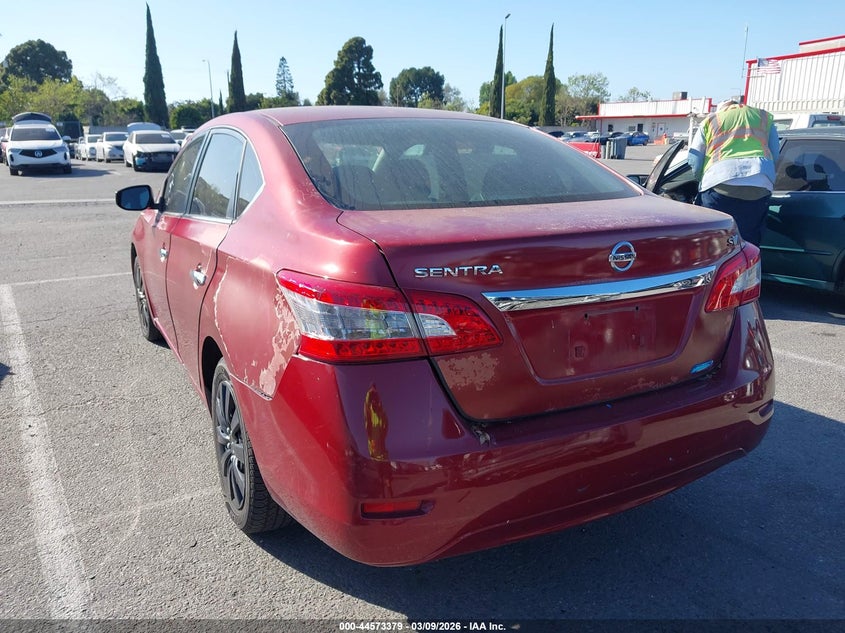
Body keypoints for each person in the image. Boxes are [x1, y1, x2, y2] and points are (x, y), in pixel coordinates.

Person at [688, 99, 780, 245]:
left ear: (722, 109)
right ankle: (746, 265)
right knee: (748, 239)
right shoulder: (764, 117)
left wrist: (701, 180)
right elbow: (775, 154)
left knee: (714, 239)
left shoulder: (712, 120)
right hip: (760, 182)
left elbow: (694, 159)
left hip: (720, 182)